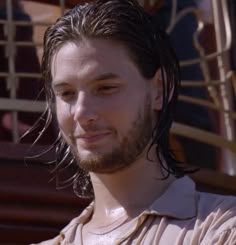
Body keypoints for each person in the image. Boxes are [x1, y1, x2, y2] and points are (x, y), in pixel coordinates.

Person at [34, 0, 236, 244]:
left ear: (158, 90)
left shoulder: (222, 230)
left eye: (106, 88)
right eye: (66, 93)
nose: (81, 112)